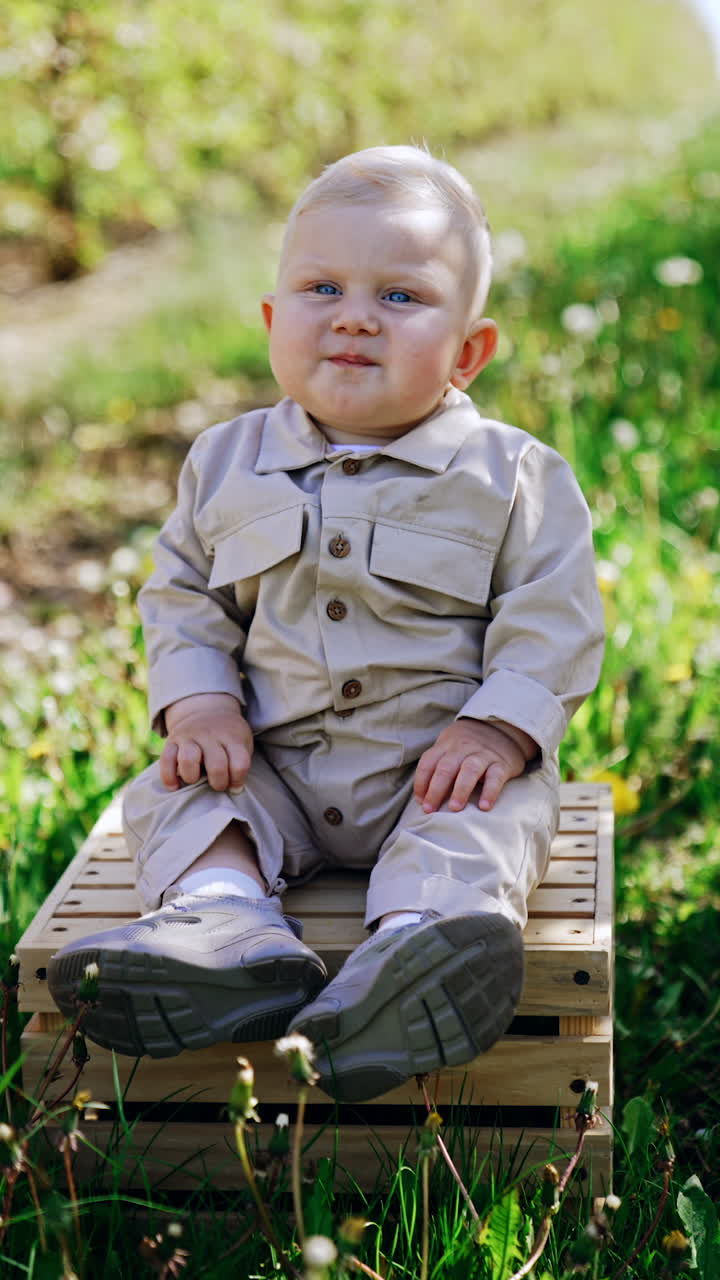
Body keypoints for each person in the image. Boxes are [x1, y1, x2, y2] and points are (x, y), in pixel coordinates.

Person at [48, 145, 604, 1103]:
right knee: (176, 793)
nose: (353, 316)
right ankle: (225, 925)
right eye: (322, 288)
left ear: (468, 351)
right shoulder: (225, 461)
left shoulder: (513, 474)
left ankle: (419, 952)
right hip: (271, 764)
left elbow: (554, 612)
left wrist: (498, 728)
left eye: (400, 296)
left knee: (490, 819)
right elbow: (183, 595)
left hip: (440, 770)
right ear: (274, 322)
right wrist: (200, 705)